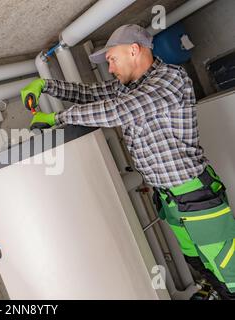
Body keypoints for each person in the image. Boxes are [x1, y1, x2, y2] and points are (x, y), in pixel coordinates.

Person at [20, 24, 235, 299]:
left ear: (134, 50)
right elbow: (93, 95)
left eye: (112, 59)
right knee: (198, 262)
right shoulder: (131, 87)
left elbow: (120, 111)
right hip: (171, 199)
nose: (110, 68)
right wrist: (46, 86)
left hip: (195, 194)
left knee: (230, 271)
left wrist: (58, 118)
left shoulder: (170, 79)